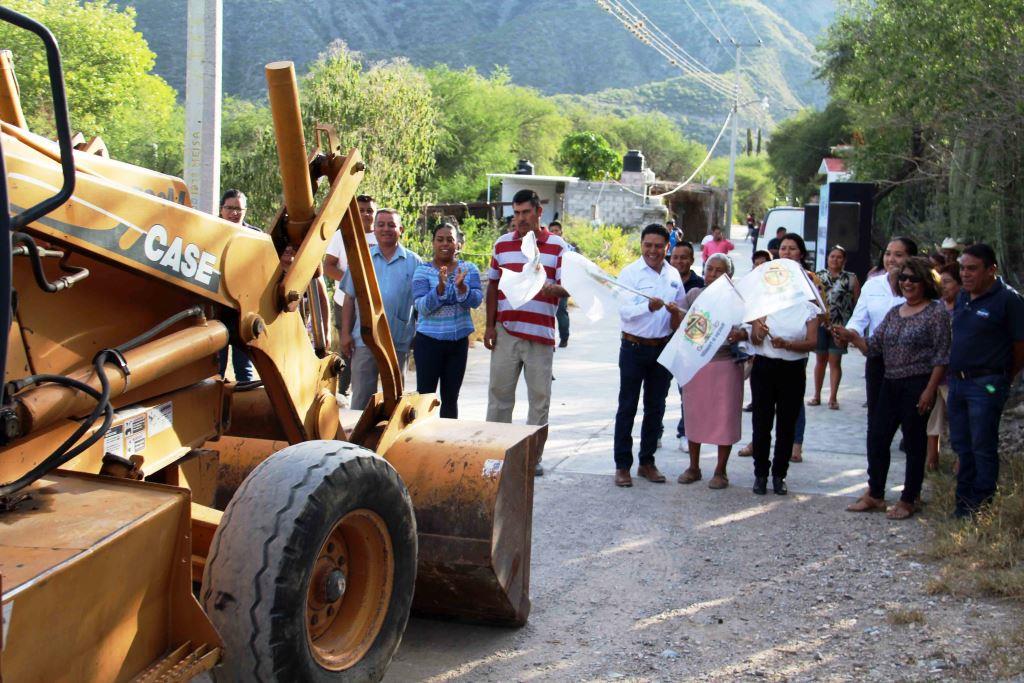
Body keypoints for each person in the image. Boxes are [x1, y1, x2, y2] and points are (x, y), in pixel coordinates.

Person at [836, 256, 950, 519]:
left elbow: (942, 356)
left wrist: (929, 390)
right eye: (904, 278)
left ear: (926, 282)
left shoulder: (936, 312)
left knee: (913, 442)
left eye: (914, 278)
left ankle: (909, 498)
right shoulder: (895, 312)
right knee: (878, 437)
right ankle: (875, 494)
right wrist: (852, 336)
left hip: (917, 383)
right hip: (889, 382)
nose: (907, 283)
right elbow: (873, 348)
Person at [485, 189, 569, 476]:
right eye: (516, 213)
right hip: (506, 331)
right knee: (499, 396)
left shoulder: (558, 247)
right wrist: (488, 326)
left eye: (526, 212)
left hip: (541, 334)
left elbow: (569, 287)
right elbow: (493, 287)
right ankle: (494, 452)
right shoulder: (502, 245)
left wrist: (553, 288)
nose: (520, 218)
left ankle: (532, 459)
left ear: (538, 212)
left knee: (539, 400)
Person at [947, 243, 1024, 518]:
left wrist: (1003, 378)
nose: (965, 274)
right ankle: (962, 505)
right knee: (962, 445)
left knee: (982, 446)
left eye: (972, 269)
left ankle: (981, 507)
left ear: (991, 269)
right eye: (962, 269)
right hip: (957, 383)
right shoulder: (963, 297)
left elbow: (1019, 346)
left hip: (987, 384)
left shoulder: (1009, 300)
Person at [746, 233, 819, 495]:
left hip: (792, 369)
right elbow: (753, 336)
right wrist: (759, 331)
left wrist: (788, 344)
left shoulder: (809, 300)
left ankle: (779, 474)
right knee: (761, 422)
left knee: (786, 423)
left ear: (801, 254)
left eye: (793, 249)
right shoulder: (763, 296)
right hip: (765, 367)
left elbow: (812, 342)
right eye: (783, 248)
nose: (787, 252)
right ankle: (760, 474)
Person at [612, 224, 685, 487]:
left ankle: (647, 462)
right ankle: (622, 466)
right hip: (633, 348)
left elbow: (680, 318)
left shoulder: (674, 275)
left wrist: (676, 313)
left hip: (662, 348)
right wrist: (648, 306)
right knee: (628, 406)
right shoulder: (630, 273)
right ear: (641, 245)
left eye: (658, 246)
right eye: (648, 245)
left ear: (668, 247)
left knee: (656, 408)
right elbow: (624, 312)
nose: (652, 251)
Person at [340, 208, 422, 411]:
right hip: (364, 339)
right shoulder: (361, 259)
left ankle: (389, 440)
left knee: (394, 398)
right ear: (374, 229)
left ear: (400, 229)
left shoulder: (414, 262)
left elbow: (420, 303)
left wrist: (417, 336)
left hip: (398, 341)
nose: (386, 229)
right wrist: (344, 334)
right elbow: (349, 299)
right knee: (361, 399)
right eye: (381, 224)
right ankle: (357, 439)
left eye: (391, 225)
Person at [843, 237, 919, 454]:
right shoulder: (873, 284)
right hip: (877, 359)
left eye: (898, 254)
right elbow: (858, 320)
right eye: (887, 253)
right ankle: (874, 480)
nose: (891, 259)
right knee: (876, 422)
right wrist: (848, 333)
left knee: (910, 422)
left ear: (910, 258)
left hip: (911, 364)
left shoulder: (918, 288)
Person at [677, 253, 746, 489]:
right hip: (696, 365)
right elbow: (676, 323)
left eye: (719, 270)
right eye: (709, 269)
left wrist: (741, 333)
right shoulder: (694, 295)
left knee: (725, 417)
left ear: (729, 275)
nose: (713, 274)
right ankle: (694, 467)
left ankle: (720, 470)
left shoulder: (739, 300)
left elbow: (748, 328)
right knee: (694, 415)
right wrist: (675, 314)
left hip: (726, 364)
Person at [412, 221, 483, 418]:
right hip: (428, 343)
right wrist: (440, 289)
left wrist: (461, 288)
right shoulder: (423, 271)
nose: (445, 244)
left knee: (451, 398)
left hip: (457, 344)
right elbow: (421, 307)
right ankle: (421, 441)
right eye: (440, 239)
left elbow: (476, 301)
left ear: (458, 244)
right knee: (425, 396)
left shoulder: (468, 269)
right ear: (433, 243)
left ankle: (447, 441)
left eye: (450, 240)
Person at [324, 194, 378, 396]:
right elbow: (327, 266)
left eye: (369, 210)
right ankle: (342, 391)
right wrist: (352, 282)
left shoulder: (382, 235)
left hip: (373, 303)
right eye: (361, 210)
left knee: (370, 345)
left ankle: (366, 393)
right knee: (347, 345)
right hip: (345, 301)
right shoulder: (341, 235)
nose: (365, 214)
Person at [810, 246, 861, 409]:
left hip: (840, 326)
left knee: (835, 360)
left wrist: (854, 329)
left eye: (839, 257)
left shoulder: (851, 278)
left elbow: (857, 303)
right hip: (821, 324)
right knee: (820, 360)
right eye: (832, 256)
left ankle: (833, 397)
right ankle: (816, 395)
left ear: (844, 260)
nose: (835, 260)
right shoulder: (818, 276)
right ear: (827, 258)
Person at [217, 189, 256, 382]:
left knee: (245, 371)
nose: (234, 213)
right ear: (221, 209)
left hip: (243, 313)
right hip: (217, 312)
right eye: (230, 208)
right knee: (215, 370)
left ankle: (244, 409)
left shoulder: (255, 237)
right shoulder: (210, 233)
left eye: (238, 209)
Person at [926, 262, 960, 471]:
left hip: (954, 374)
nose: (944, 286)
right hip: (932, 373)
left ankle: (959, 461)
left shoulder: (964, 309)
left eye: (948, 282)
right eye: (941, 282)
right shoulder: (935, 307)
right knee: (932, 418)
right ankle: (932, 460)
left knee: (957, 418)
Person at [548, 221, 572, 347]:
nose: (555, 233)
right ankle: (548, 339)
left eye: (557, 230)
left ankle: (564, 337)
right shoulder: (544, 247)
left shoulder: (569, 249)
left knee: (561, 310)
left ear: (561, 232)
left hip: (563, 285)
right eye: (552, 230)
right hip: (548, 286)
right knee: (547, 312)